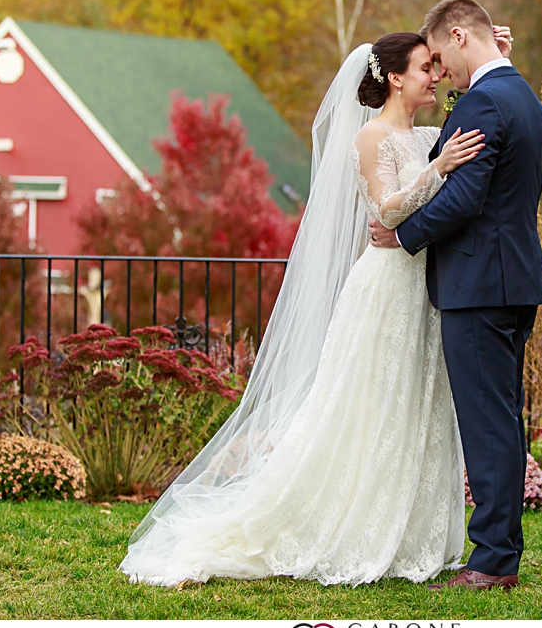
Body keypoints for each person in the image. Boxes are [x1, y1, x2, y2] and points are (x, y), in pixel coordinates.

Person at [119, 30, 493, 587]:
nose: (435, 76)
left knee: (416, 405)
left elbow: (477, 109)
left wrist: (493, 53)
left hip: (425, 287)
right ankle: (349, 525)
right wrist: (436, 171)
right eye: (424, 68)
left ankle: (411, 530)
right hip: (387, 288)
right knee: (370, 406)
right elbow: (388, 211)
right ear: (394, 77)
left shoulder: (431, 135)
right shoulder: (372, 138)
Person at [371, 0, 542, 591]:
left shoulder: (482, 102)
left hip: (477, 285)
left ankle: (493, 561)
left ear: (456, 35)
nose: (441, 71)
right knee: (500, 417)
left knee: (487, 423)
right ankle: (499, 551)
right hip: (514, 280)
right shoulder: (525, 98)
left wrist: (402, 237)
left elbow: (463, 197)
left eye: (440, 57)